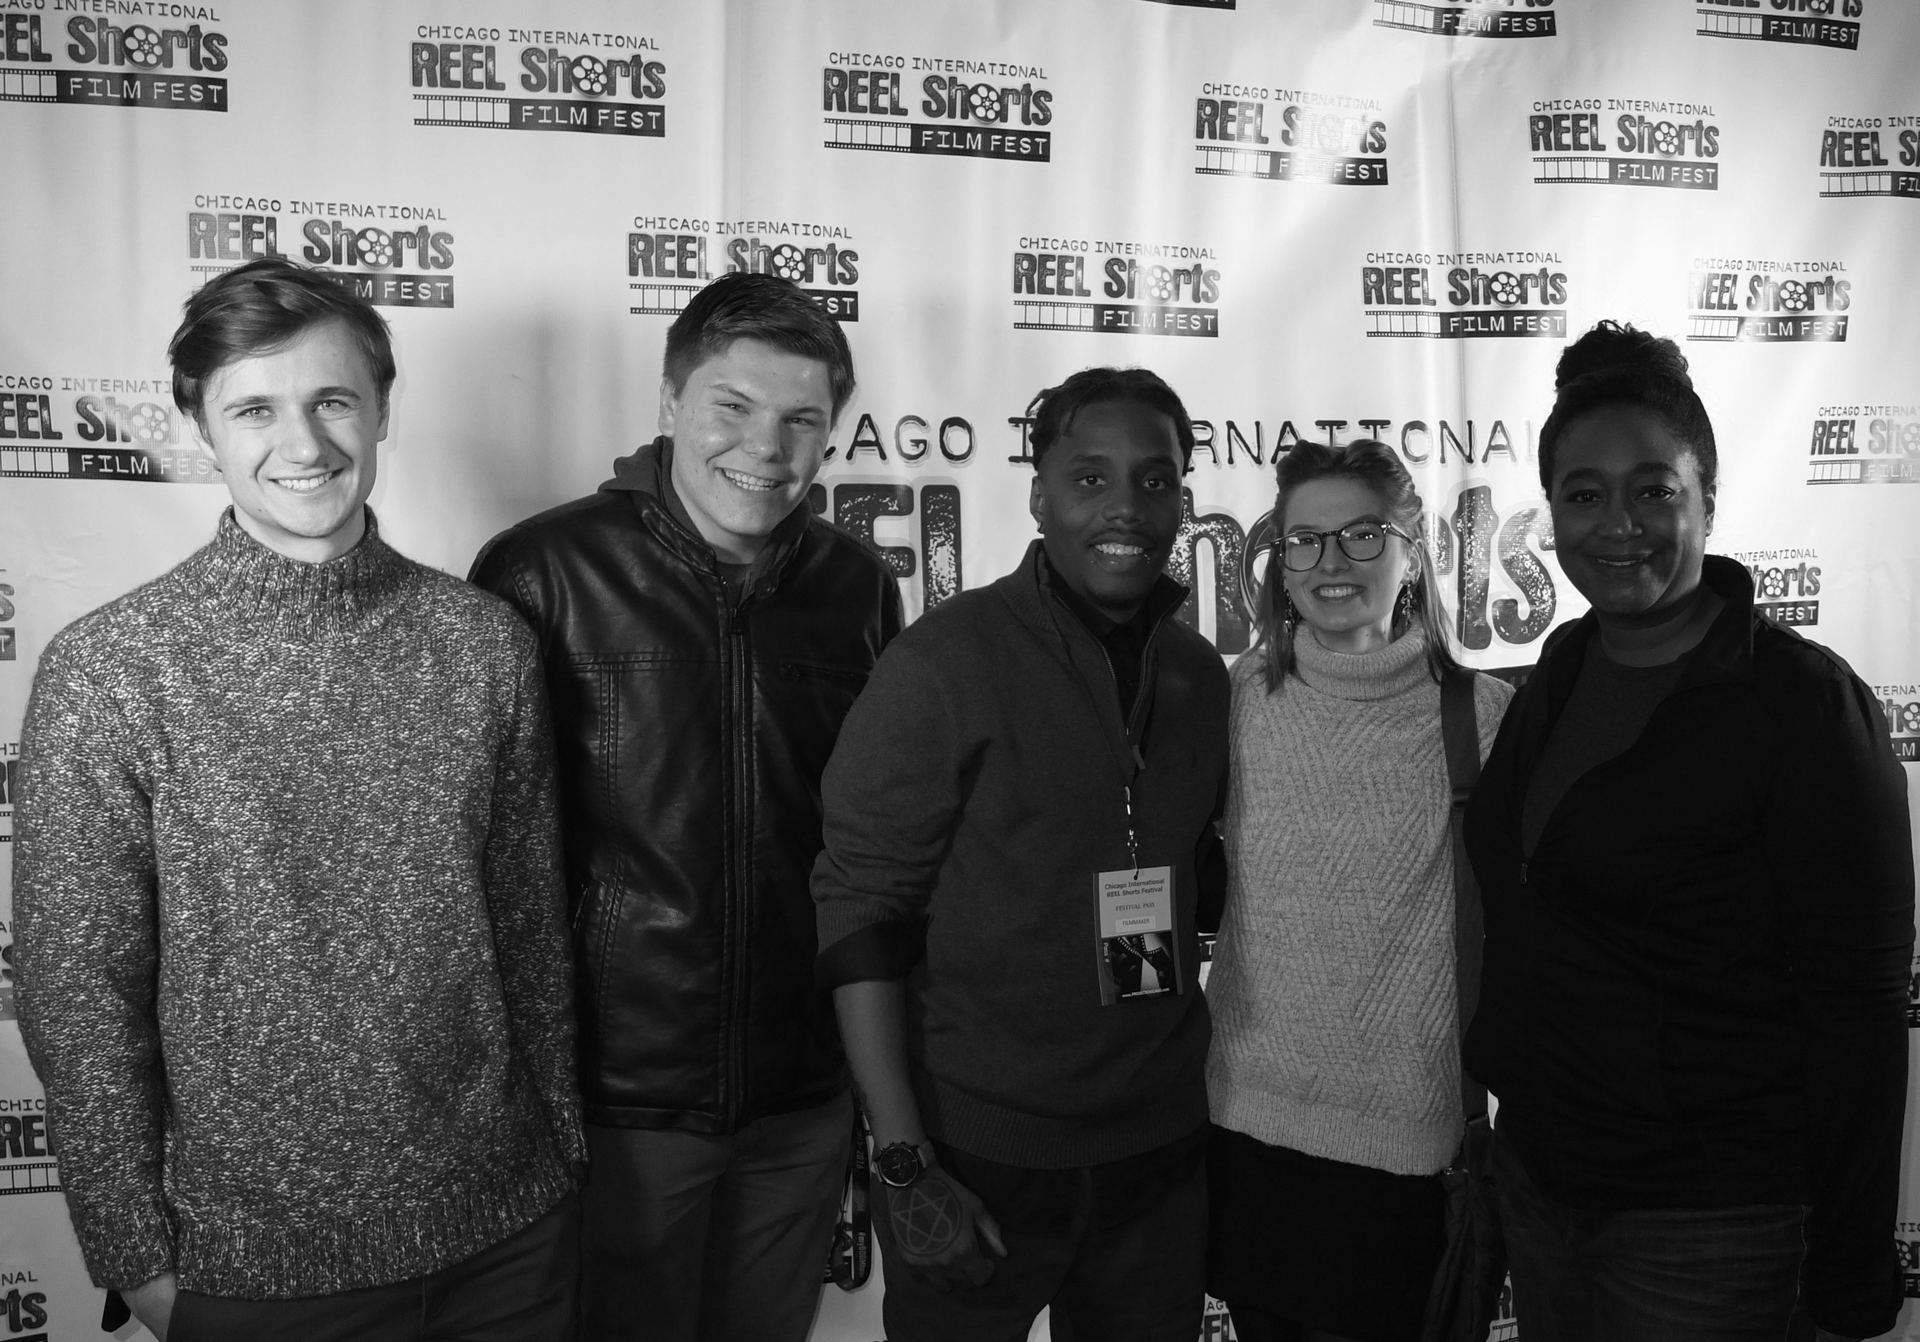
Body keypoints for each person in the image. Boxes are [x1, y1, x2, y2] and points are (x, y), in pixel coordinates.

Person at [12, 257, 584, 1342]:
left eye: (332, 401)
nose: (305, 444)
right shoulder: (113, 673)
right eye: (255, 410)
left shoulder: (483, 645)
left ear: (381, 410)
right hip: (255, 1274)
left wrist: (557, 1147)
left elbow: (529, 929)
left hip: (508, 1240)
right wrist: (137, 1260)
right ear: (200, 426)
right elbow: (79, 996)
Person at [469, 272, 902, 1342]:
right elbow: (481, 859)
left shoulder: (858, 587)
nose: (767, 448)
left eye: (803, 420)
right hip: (616, 1102)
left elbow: (873, 843)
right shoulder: (543, 569)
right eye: (733, 407)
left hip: (803, 1093)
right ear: (669, 403)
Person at [1464, 322, 1914, 1342]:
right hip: (1542, 1183)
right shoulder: (1562, 669)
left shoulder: (1801, 705)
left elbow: (1860, 1009)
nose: (1618, 524)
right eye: (1583, 494)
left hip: (1709, 1221)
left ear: (1708, 496)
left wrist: (1851, 1266)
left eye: (1653, 489)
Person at [813, 367, 1229, 1342]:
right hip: (974, 1156)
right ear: (1039, 497)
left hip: (1157, 1152)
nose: (1125, 506)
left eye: (1155, 479)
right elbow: (861, 912)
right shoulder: (942, 662)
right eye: (1089, 478)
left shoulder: (1198, 673)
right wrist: (904, 1162)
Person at [1203, 439, 1512, 1342]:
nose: (1330, 562)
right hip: (1247, 1123)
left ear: (1412, 552)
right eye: (1304, 541)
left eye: (1362, 535)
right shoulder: (1237, 701)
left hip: (1406, 1142)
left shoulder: (1482, 717)